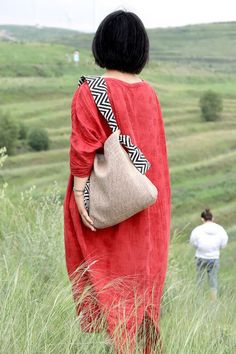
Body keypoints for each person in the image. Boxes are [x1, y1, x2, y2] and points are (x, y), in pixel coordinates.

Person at [64, 10, 171, 353]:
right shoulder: (150, 93)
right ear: (140, 48)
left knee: (111, 282)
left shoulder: (90, 92)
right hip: (147, 206)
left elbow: (83, 149)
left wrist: (81, 193)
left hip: (111, 205)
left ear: (101, 44)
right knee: (140, 289)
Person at [190, 209, 228, 301]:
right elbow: (223, 243)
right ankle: (213, 301)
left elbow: (193, 242)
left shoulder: (197, 230)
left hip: (200, 257)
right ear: (212, 218)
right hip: (214, 257)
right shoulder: (220, 229)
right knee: (213, 280)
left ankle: (198, 299)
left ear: (202, 219)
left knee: (199, 279)